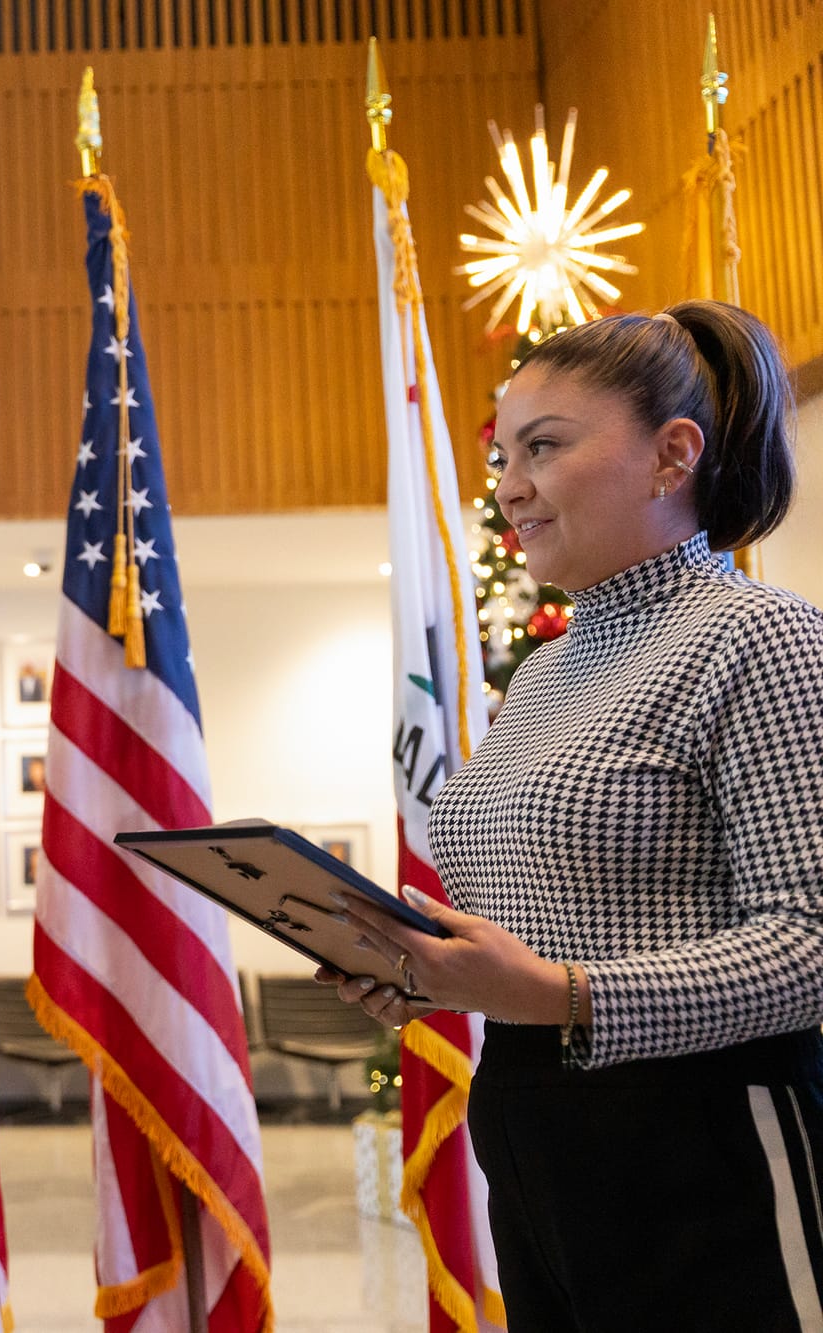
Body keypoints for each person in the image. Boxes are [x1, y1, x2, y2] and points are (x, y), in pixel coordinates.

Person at [325, 301, 822, 1330]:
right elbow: (538, 926)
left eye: (542, 448)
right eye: (502, 454)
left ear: (669, 455)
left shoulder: (761, 640)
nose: (507, 486)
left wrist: (562, 992)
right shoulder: (546, 671)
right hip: (536, 1138)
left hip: (707, 1139)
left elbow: (809, 944)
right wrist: (428, 973)